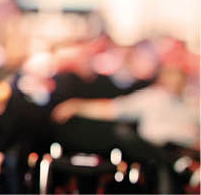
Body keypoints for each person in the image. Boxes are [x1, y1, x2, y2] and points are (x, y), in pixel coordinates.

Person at [52, 64, 200, 193]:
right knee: (129, 137)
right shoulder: (153, 97)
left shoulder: (191, 103)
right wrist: (77, 106)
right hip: (156, 150)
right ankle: (180, 164)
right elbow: (113, 110)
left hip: (186, 151)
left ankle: (181, 164)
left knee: (165, 162)